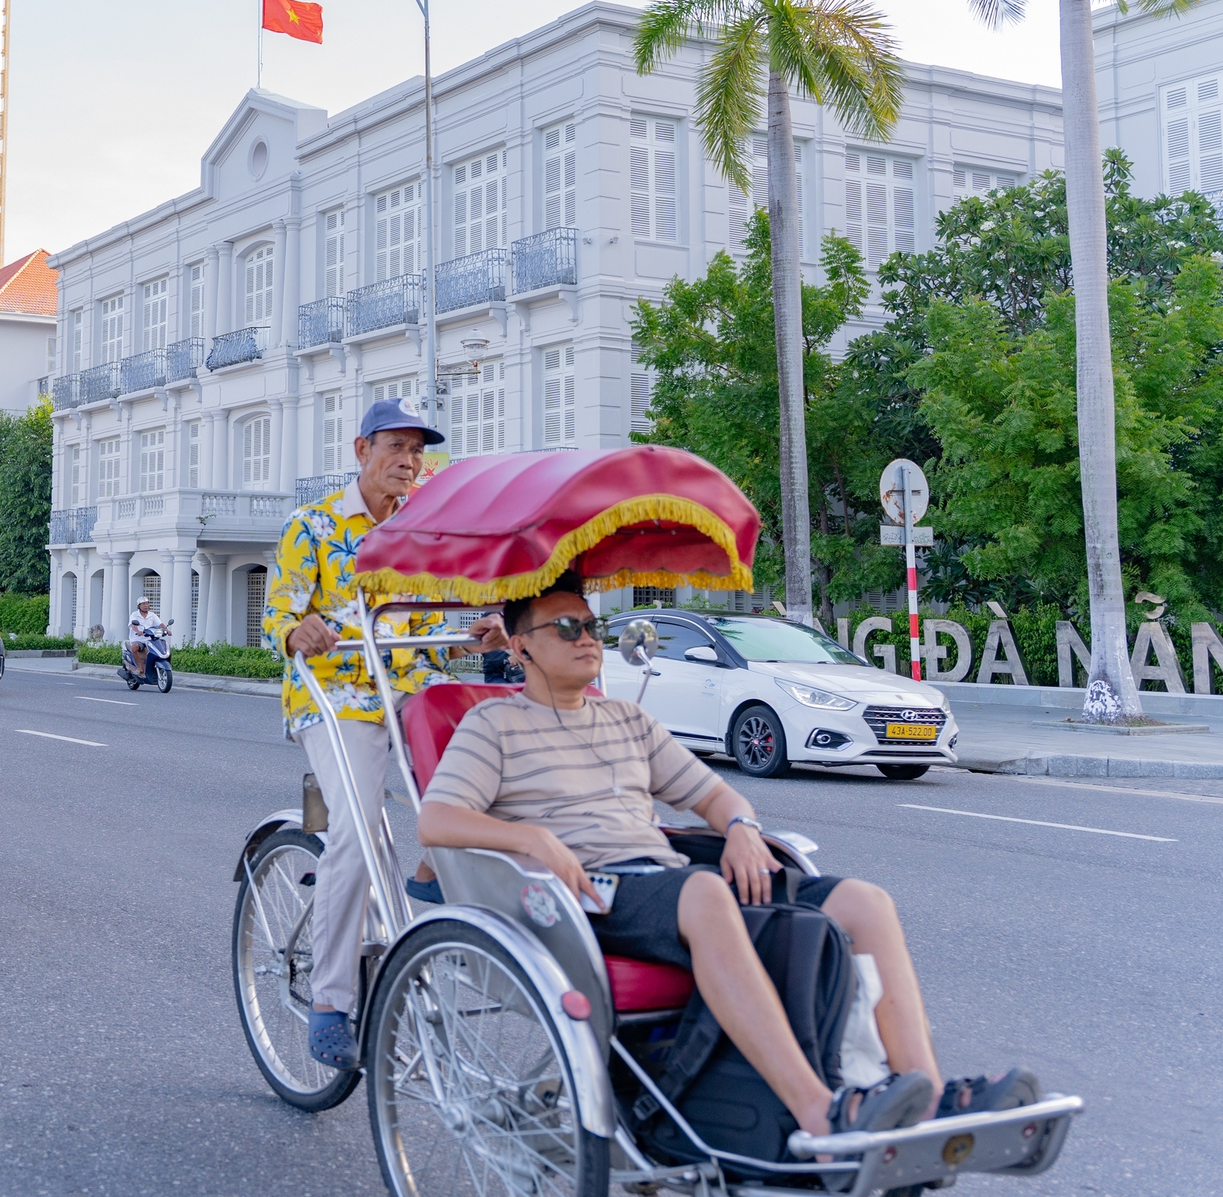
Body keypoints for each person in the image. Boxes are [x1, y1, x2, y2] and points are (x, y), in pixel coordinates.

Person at [416, 576, 1039, 1137]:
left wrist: (741, 825)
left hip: (664, 882)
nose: (587, 639)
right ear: (521, 648)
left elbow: (712, 792)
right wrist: (532, 838)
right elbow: (437, 819)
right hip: (583, 895)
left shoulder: (627, 719)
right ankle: (818, 1112)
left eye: (592, 625)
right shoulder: (493, 725)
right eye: (567, 628)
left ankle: (922, 1096)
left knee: (863, 903)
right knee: (706, 891)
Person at [263, 397, 509, 1070]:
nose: (409, 462)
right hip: (338, 695)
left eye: (418, 451)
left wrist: (483, 631)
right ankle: (331, 999)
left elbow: (437, 629)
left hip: (411, 692)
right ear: (360, 451)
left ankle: (430, 880)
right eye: (396, 447)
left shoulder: (427, 532)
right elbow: (278, 614)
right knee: (359, 828)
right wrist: (296, 629)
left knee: (496, 765)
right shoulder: (311, 527)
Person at [126, 596, 166, 676]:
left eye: (147, 603)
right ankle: (140, 668)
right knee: (135, 647)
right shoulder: (134, 615)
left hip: (150, 639)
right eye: (143, 604)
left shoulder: (152, 615)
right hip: (138, 639)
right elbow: (133, 625)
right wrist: (138, 631)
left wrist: (166, 630)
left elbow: (160, 623)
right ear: (139, 606)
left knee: (163, 646)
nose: (146, 605)